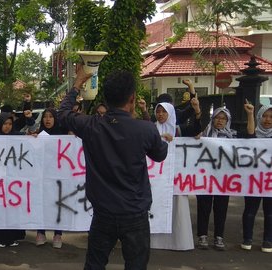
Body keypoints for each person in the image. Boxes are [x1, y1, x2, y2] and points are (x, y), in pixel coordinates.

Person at [57, 66, 168, 270]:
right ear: (132, 98)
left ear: (105, 100)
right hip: (135, 214)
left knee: (95, 265)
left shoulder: (91, 126)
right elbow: (160, 154)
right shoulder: (146, 129)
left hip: (103, 213)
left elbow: (63, 113)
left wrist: (76, 85)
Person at [149, 98, 201, 251]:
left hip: (175, 177)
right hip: (156, 178)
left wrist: (197, 111)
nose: (160, 114)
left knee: (176, 207)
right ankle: (155, 242)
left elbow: (196, 129)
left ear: (170, 113)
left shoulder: (178, 130)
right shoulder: (151, 129)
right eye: (158, 111)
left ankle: (178, 242)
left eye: (164, 111)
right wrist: (159, 138)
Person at [196, 107, 237, 251]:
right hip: (205, 177)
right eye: (217, 118)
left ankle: (219, 237)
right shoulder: (203, 134)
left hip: (223, 179)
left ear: (227, 121)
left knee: (221, 208)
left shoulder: (233, 137)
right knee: (204, 207)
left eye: (223, 118)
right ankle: (202, 235)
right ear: (212, 120)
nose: (220, 121)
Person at [0, 113, 27, 248]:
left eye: (10, 124)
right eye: (5, 124)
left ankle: (11, 237)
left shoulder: (17, 137)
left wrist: (33, 137)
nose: (8, 127)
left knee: (11, 208)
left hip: (12, 181)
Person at [240, 102, 272, 253]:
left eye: (271, 117)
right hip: (253, 180)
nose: (268, 120)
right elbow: (251, 135)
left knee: (270, 212)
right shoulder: (255, 133)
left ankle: (268, 240)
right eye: (265, 116)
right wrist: (250, 114)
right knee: (250, 210)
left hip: (269, 182)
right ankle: (247, 239)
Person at [35, 108, 68, 248]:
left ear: (55, 118)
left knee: (57, 203)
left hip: (58, 176)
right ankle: (40, 232)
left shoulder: (64, 135)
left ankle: (57, 234)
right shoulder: (37, 135)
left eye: (51, 117)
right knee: (41, 203)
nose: (48, 119)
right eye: (45, 117)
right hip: (42, 176)